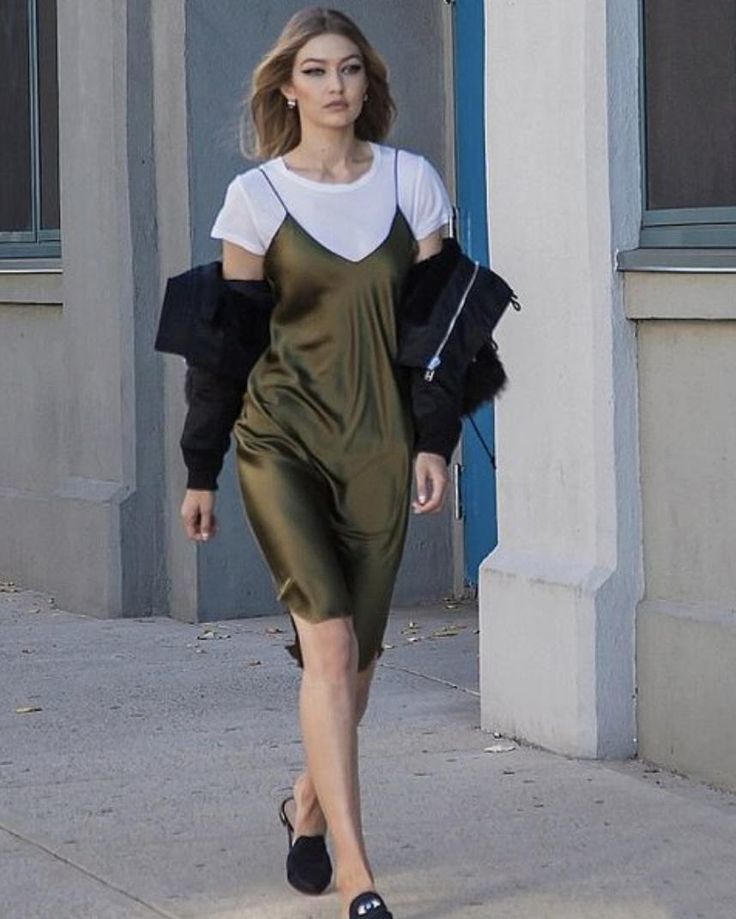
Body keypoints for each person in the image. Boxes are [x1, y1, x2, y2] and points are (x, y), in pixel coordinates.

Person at [180, 8, 456, 918]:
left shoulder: (413, 183)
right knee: (328, 643)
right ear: (286, 87)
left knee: (356, 666)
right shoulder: (254, 198)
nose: (336, 87)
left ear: (368, 85)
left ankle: (305, 804)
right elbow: (224, 351)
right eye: (316, 71)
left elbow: (439, 335)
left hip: (378, 450)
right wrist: (201, 467)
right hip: (281, 444)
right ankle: (356, 873)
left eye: (350, 71)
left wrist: (433, 440)